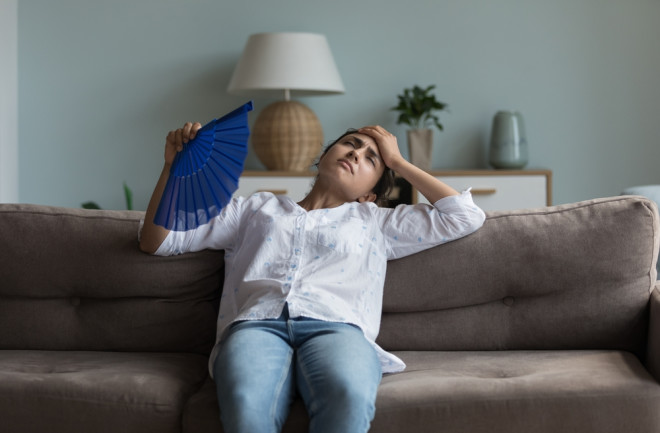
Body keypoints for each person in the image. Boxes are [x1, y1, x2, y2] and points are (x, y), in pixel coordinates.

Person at [139, 122, 486, 433]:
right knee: (246, 403)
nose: (355, 152)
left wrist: (397, 161)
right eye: (351, 143)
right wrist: (172, 167)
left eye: (371, 159)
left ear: (369, 194)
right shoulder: (254, 209)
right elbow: (158, 241)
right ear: (324, 156)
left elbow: (464, 217)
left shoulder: (377, 222)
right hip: (255, 325)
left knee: (348, 395)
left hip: (338, 329)